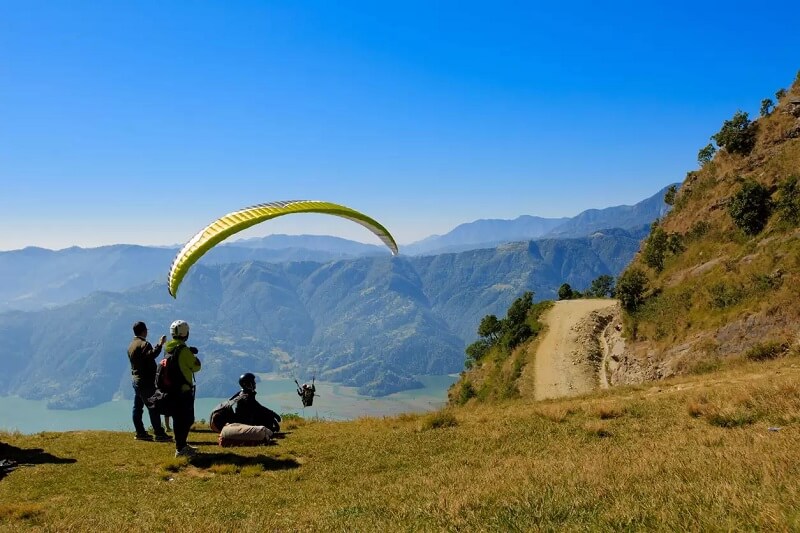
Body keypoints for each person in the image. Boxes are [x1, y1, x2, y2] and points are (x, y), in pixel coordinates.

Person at [127, 321, 172, 442]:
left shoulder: (131, 345)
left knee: (137, 407)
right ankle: (159, 434)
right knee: (153, 407)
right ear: (144, 331)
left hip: (136, 381)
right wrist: (160, 344)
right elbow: (151, 355)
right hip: (146, 382)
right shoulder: (144, 344)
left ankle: (140, 432)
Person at [164, 320, 202, 457]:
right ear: (186, 333)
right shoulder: (184, 350)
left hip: (172, 390)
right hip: (183, 391)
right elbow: (196, 367)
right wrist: (193, 355)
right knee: (186, 420)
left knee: (178, 419)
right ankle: (181, 449)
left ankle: (182, 445)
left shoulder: (168, 348)